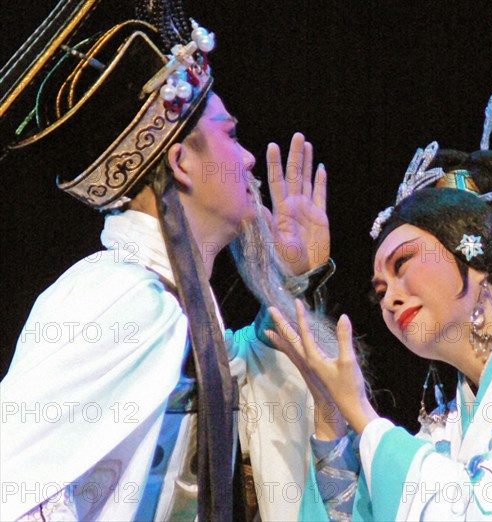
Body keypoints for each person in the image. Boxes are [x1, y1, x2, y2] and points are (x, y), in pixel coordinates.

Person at [0, 3, 335, 521]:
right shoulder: (117, 295)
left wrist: (290, 281)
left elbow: (248, 372)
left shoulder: (167, 308)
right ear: (180, 162)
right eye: (230, 135)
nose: (248, 159)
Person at [267, 103, 492, 520]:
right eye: (379, 291)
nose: (389, 299)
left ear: (476, 256)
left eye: (403, 263)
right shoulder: (442, 434)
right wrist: (332, 416)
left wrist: (362, 413)